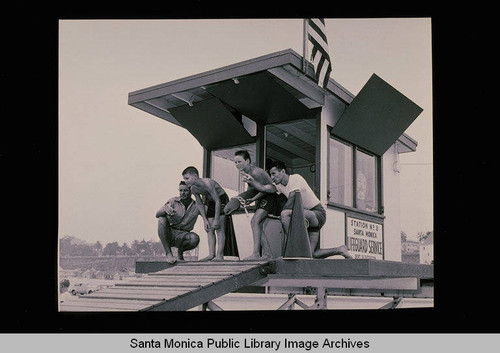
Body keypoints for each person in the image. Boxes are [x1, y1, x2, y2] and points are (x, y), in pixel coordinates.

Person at [246, 160, 353, 259]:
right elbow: (264, 189)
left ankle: (292, 245)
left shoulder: (295, 178)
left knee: (285, 214)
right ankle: (340, 250)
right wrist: (252, 186)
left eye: (273, 173)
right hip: (308, 219)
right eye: (270, 174)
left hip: (318, 214)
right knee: (311, 254)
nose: (272, 177)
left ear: (283, 171)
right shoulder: (279, 186)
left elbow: (292, 199)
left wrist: (284, 216)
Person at [224, 150, 286, 260]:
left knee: (254, 222)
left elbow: (266, 188)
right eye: (235, 163)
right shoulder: (245, 172)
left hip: (270, 195)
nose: (237, 165)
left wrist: (253, 198)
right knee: (257, 224)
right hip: (262, 195)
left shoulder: (256, 172)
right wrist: (248, 199)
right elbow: (253, 187)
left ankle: (256, 253)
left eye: (239, 162)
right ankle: (268, 254)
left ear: (247, 161)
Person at [182, 166, 229, 261]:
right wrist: (205, 220)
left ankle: (220, 255)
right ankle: (211, 254)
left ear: (195, 176)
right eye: (184, 179)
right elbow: (199, 203)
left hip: (221, 199)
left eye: (187, 178)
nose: (186, 181)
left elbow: (218, 201)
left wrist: (216, 219)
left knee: (219, 227)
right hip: (211, 202)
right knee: (209, 228)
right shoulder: (193, 188)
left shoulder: (207, 183)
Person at [156, 181, 200, 264]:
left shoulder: (196, 205)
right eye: (180, 190)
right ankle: (169, 254)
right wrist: (165, 210)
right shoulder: (173, 201)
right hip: (170, 233)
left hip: (184, 235)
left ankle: (180, 252)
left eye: (185, 190)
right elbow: (157, 214)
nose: (182, 193)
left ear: (191, 191)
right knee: (162, 219)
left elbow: (208, 213)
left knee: (195, 238)